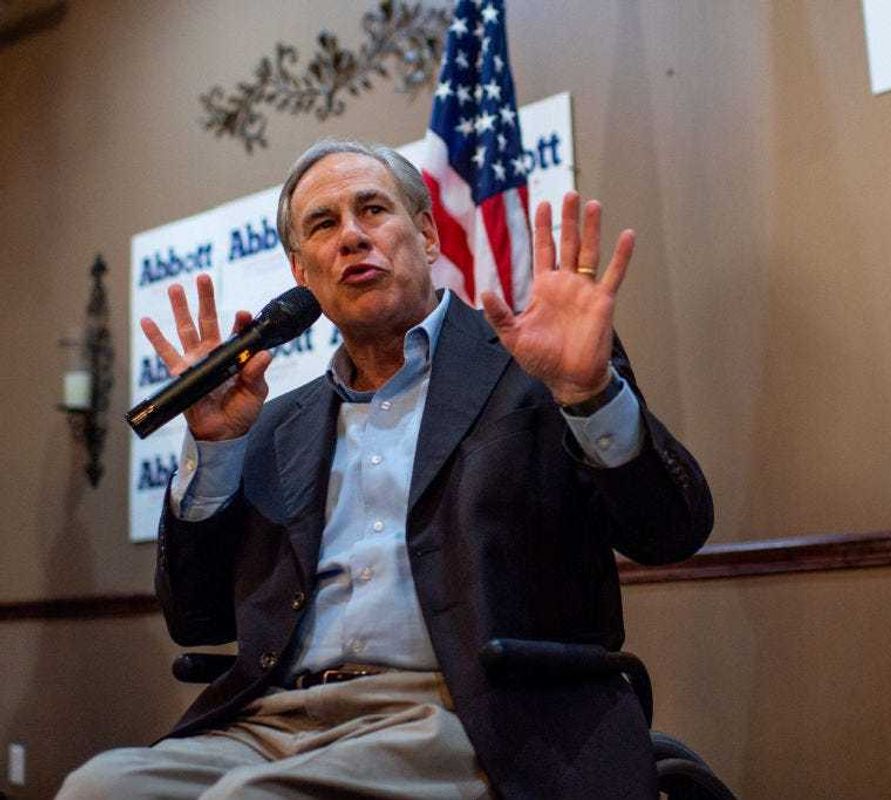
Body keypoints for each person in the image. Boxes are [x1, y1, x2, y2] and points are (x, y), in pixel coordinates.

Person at [59, 139, 712, 799]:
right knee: (99, 788)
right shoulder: (273, 425)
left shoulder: (534, 370)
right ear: (302, 273)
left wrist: (588, 395)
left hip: (467, 713)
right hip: (276, 719)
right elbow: (196, 621)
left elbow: (670, 531)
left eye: (372, 210)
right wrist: (216, 449)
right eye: (323, 224)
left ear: (427, 234)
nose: (350, 237)